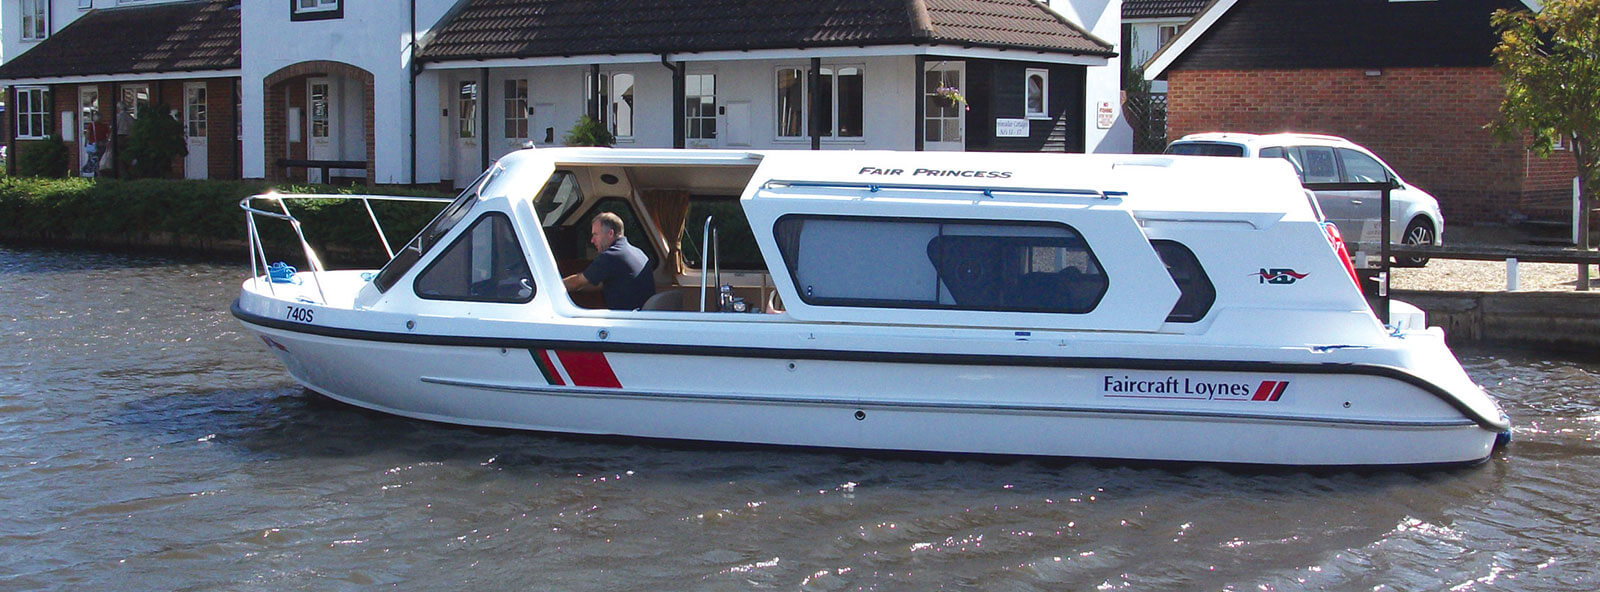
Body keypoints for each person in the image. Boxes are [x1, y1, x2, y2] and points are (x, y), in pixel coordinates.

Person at [563, 212, 655, 310]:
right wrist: (578, 287)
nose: (592, 240)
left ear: (610, 233)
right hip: (641, 316)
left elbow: (576, 283)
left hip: (624, 320)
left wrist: (551, 285)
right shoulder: (638, 252)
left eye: (596, 234)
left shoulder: (611, 255)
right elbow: (600, 283)